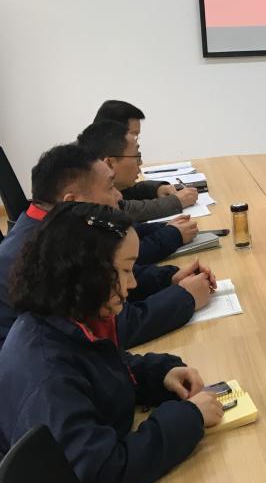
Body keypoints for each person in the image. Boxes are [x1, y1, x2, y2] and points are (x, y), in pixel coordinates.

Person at [0, 203, 224, 483]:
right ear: (87, 274)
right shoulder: (48, 374)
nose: (133, 283)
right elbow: (105, 474)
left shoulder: (61, 320)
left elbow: (101, 367)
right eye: (126, 270)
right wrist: (189, 417)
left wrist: (159, 375)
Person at [0, 144, 214, 349]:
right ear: (72, 201)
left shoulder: (59, 228)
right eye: (110, 187)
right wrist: (185, 297)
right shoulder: (41, 252)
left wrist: (169, 279)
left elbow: (107, 279)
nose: (119, 197)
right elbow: (112, 329)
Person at [78, 120, 197, 222]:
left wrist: (156, 189)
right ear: (109, 163)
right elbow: (125, 209)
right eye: (136, 157)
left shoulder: (93, 177)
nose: (140, 163)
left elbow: (127, 192)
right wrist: (177, 201)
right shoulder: (88, 196)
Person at [93, 99, 197, 209]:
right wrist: (176, 201)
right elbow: (122, 209)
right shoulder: (85, 172)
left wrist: (156, 189)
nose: (136, 142)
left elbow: (124, 192)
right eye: (133, 135)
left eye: (137, 136)